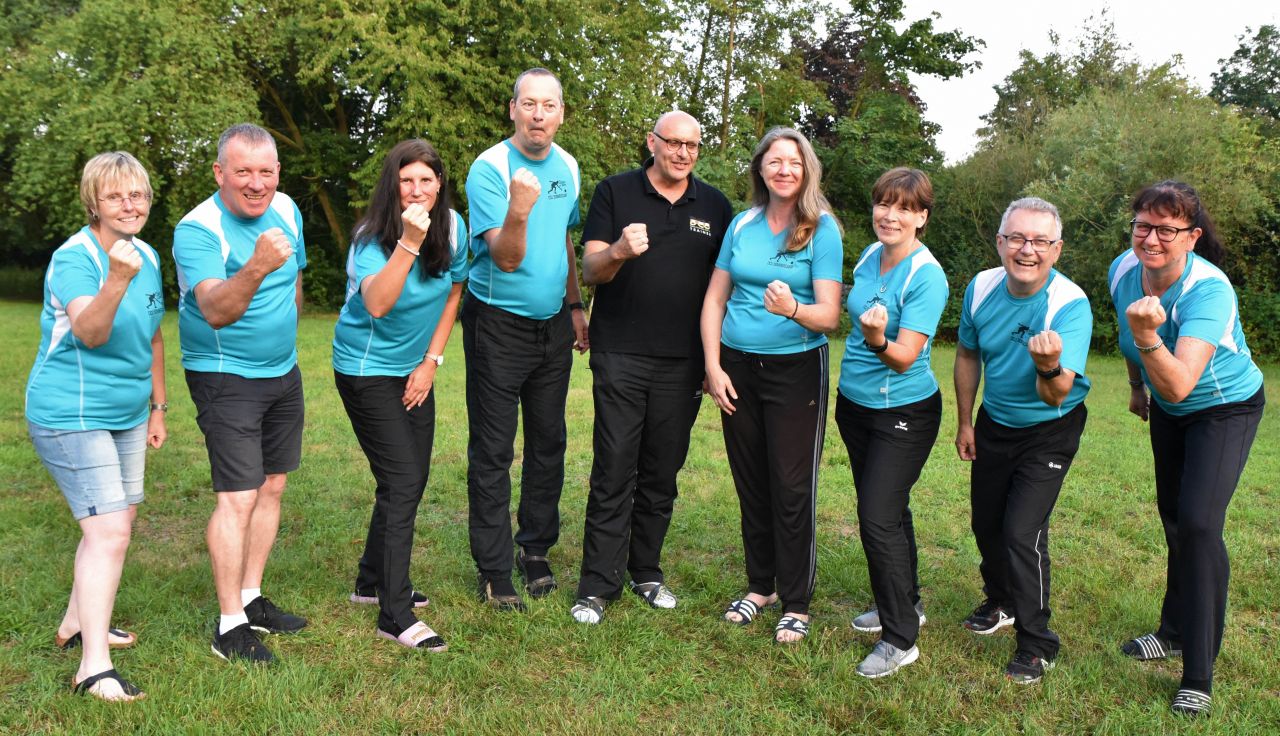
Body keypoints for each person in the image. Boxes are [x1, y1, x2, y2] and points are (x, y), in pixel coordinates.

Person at [569, 111, 734, 624]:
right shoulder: (615, 191)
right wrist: (619, 250)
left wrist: (714, 359)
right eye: (673, 142)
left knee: (662, 472)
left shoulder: (714, 205)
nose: (683, 153)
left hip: (683, 363)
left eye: (692, 145)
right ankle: (597, 585)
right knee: (614, 467)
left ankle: (645, 572)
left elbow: (724, 288)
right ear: (652, 142)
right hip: (621, 353)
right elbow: (590, 269)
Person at [1109, 181, 1265, 717]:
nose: (1151, 239)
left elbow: (1178, 383)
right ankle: (1173, 631)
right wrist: (1135, 385)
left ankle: (1198, 672)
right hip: (1170, 411)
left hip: (1224, 407)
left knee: (1199, 525)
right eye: (1143, 226)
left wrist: (1148, 337)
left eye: (1166, 230)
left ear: (1192, 237)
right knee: (1175, 517)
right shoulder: (1123, 270)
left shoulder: (1209, 290)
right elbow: (1129, 334)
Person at [26, 152, 167, 701]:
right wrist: (115, 279)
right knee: (109, 532)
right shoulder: (74, 258)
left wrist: (158, 407)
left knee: (116, 520)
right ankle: (93, 669)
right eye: (115, 196)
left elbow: (153, 335)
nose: (129, 205)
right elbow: (89, 331)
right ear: (94, 203)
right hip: (71, 412)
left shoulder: (146, 255)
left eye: (137, 194)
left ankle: (77, 620)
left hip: (127, 412)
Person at [702, 127, 843, 644]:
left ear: (807, 171)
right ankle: (760, 587)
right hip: (737, 367)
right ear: (760, 168)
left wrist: (793, 309)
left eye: (794, 162)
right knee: (751, 481)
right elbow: (715, 299)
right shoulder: (742, 224)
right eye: (775, 161)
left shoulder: (821, 229)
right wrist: (713, 366)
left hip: (796, 370)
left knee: (791, 485)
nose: (784, 170)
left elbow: (829, 315)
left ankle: (796, 601)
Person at [173, 123, 308, 663]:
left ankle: (251, 598)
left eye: (266, 171)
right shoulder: (197, 229)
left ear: (278, 171)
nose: (257, 183)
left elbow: (294, 278)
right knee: (238, 496)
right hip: (224, 375)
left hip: (283, 371)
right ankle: (229, 626)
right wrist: (255, 265)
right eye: (244, 171)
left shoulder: (288, 208)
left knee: (272, 485)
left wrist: (286, 335)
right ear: (219, 173)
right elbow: (215, 309)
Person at [332, 139, 467, 650]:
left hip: (414, 369)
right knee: (402, 479)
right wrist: (409, 241)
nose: (416, 189)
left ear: (439, 184)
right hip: (365, 370)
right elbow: (378, 304)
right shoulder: (371, 238)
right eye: (406, 180)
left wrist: (430, 362)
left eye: (426, 180)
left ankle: (371, 582)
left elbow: (454, 291)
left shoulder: (453, 227)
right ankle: (394, 613)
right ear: (393, 185)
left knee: (408, 478)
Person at [462, 68, 589, 610]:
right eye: (529, 104)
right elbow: (507, 258)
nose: (539, 115)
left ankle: (534, 549)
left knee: (548, 441)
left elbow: (563, 240)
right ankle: (495, 571)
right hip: (497, 324)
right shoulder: (489, 168)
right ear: (512, 109)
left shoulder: (570, 166)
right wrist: (518, 207)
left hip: (553, 325)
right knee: (493, 449)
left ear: (561, 113)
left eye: (549, 105)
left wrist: (575, 305)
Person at [953, 197, 1091, 685]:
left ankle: (1037, 642)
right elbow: (967, 354)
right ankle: (1002, 600)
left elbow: (1056, 394)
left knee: (1021, 532)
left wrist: (1048, 366)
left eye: (1039, 241)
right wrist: (966, 422)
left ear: (1056, 249)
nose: (1027, 249)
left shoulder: (1069, 304)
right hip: (994, 422)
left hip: (1050, 428)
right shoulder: (981, 288)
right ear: (1000, 242)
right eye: (1017, 238)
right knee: (987, 522)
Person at [835, 168, 948, 677]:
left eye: (904, 208)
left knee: (877, 516)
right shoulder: (869, 255)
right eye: (884, 203)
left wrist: (877, 339)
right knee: (891, 510)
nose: (890, 215)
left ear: (922, 217)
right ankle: (907, 603)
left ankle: (900, 637)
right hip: (854, 406)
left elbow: (903, 357)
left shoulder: (926, 275)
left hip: (902, 412)